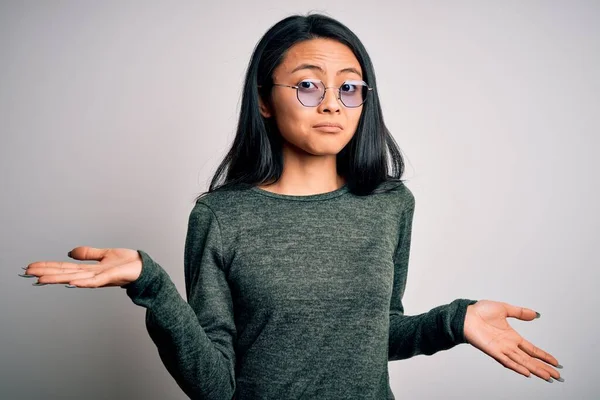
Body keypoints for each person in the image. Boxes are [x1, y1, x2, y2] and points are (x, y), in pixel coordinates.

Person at [20, 12, 563, 400]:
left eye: (350, 88)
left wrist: (454, 321)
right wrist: (152, 285)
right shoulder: (220, 216)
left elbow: (375, 335)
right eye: (307, 84)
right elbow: (215, 385)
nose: (331, 101)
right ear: (263, 99)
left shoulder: (389, 204)